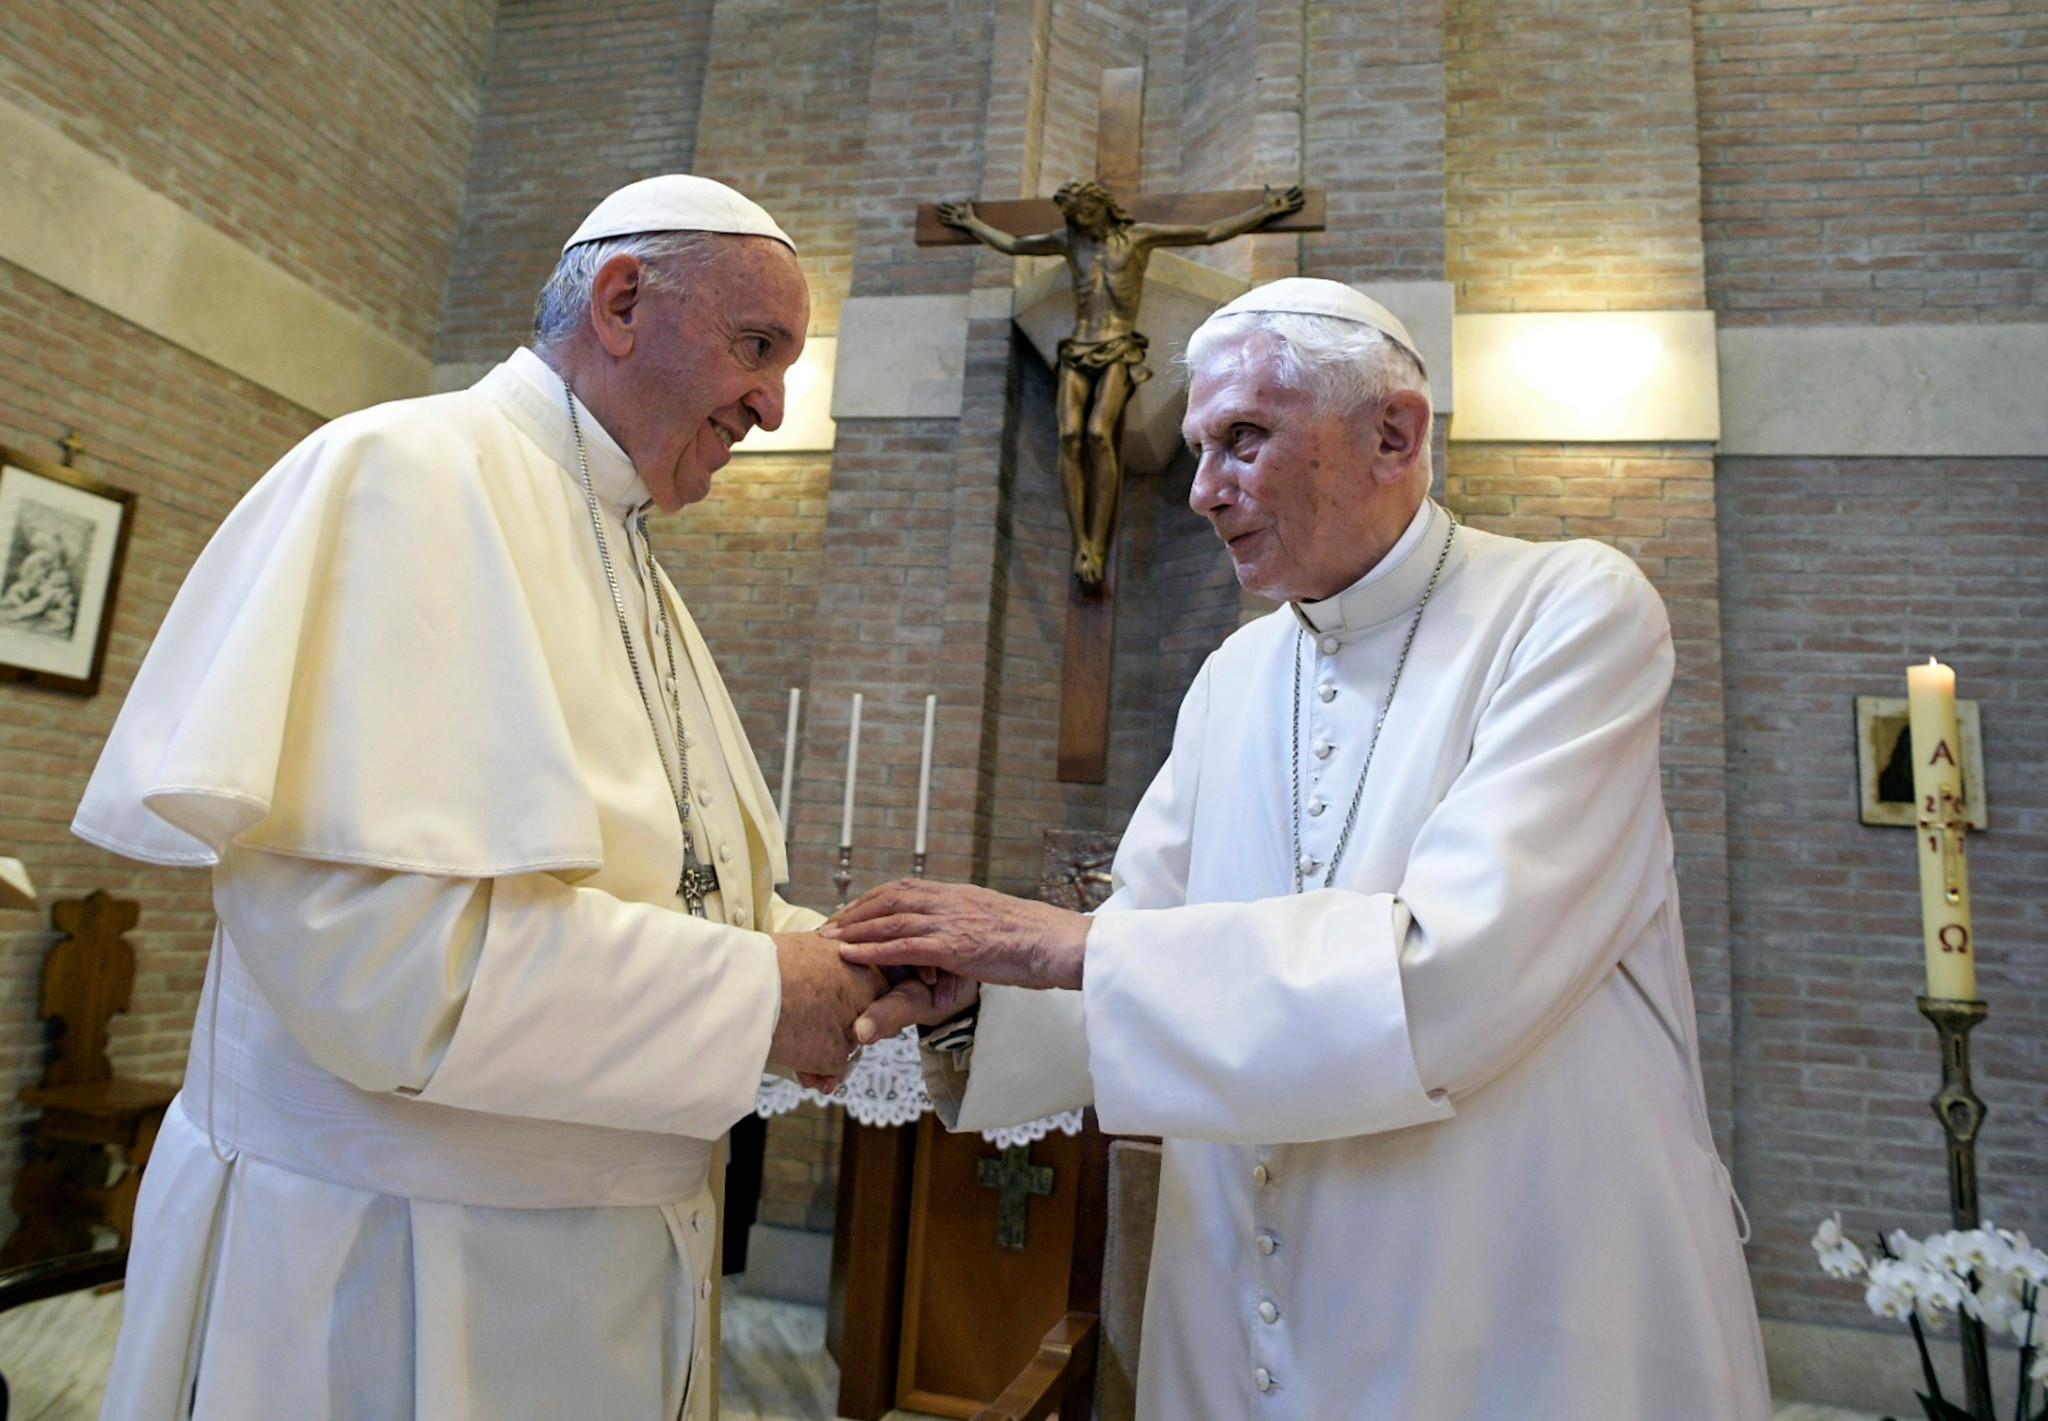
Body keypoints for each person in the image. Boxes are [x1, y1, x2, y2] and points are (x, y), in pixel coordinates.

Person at [829, 278, 1771, 1420]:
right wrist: (976, 993)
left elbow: (1451, 976)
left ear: (1393, 433)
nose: (1200, 492)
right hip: (1234, 1305)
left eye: (1242, 439)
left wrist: (1056, 942)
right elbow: (1135, 946)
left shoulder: (1568, 611)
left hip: (1500, 1301)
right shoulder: (1235, 674)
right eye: (1195, 448)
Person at [72, 175, 884, 1421]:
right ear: (622, 300)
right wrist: (769, 991)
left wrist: (849, 956)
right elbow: (385, 966)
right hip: (384, 1275)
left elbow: (680, 894)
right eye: (757, 347)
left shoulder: (636, 567)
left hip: (600, 1275)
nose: (773, 405)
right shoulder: (405, 475)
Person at [937, 178, 1303, 590]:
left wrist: (1264, 212)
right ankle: (1085, 544)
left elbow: (1207, 232)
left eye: (1084, 212)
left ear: (1102, 207)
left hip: (1118, 348)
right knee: (1071, 436)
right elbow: (1014, 245)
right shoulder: (1069, 241)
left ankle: (1096, 541)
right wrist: (972, 223)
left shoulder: (1138, 239)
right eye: (1073, 216)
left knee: (1097, 434)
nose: (1079, 221)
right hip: (1077, 348)